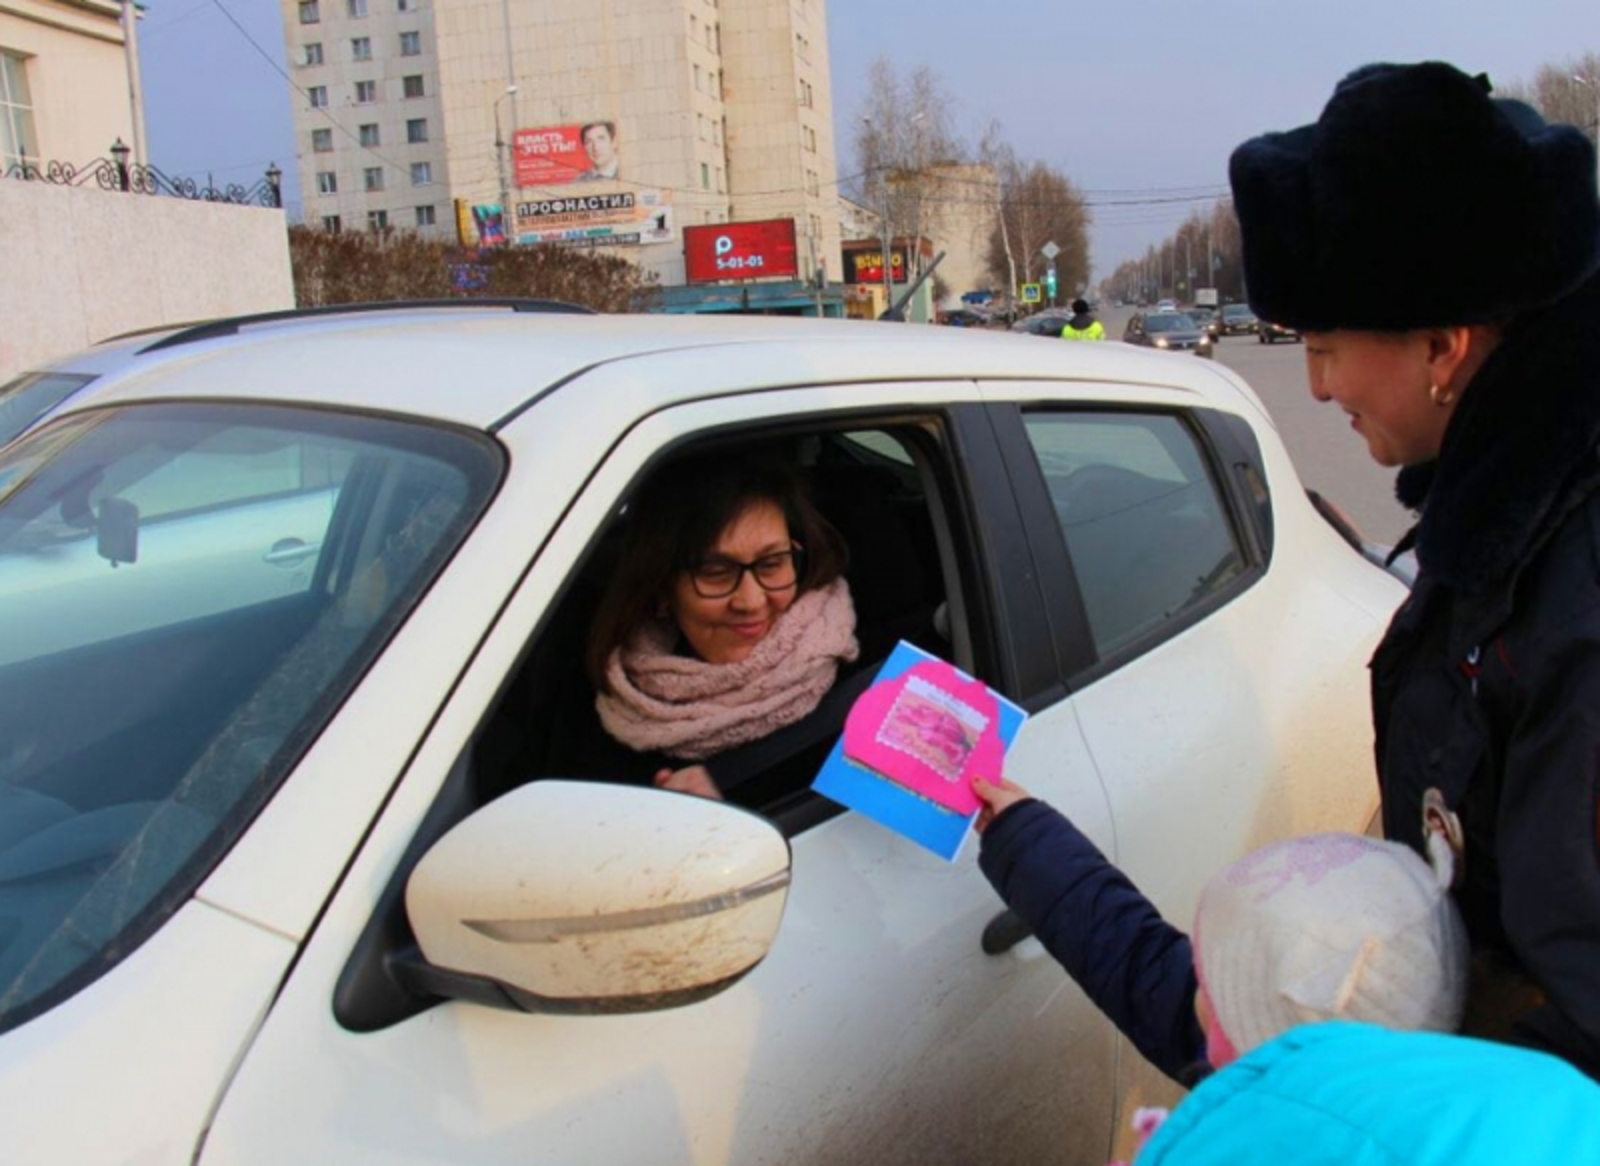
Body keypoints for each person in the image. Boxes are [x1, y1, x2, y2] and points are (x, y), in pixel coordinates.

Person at [1228, 60, 1600, 1076]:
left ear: (1441, 345)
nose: (1311, 386)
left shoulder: (1571, 587)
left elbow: (1577, 1029)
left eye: (1322, 345)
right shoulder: (1498, 523)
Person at [973, 777, 1467, 1083]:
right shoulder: (1260, 1039)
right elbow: (1137, 963)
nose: (1195, 985)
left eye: (1213, 982)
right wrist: (1024, 833)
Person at [573, 451, 858, 803]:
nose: (751, 601)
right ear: (662, 587)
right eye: (715, 572)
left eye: (771, 564)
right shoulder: (612, 727)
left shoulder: (877, 682)